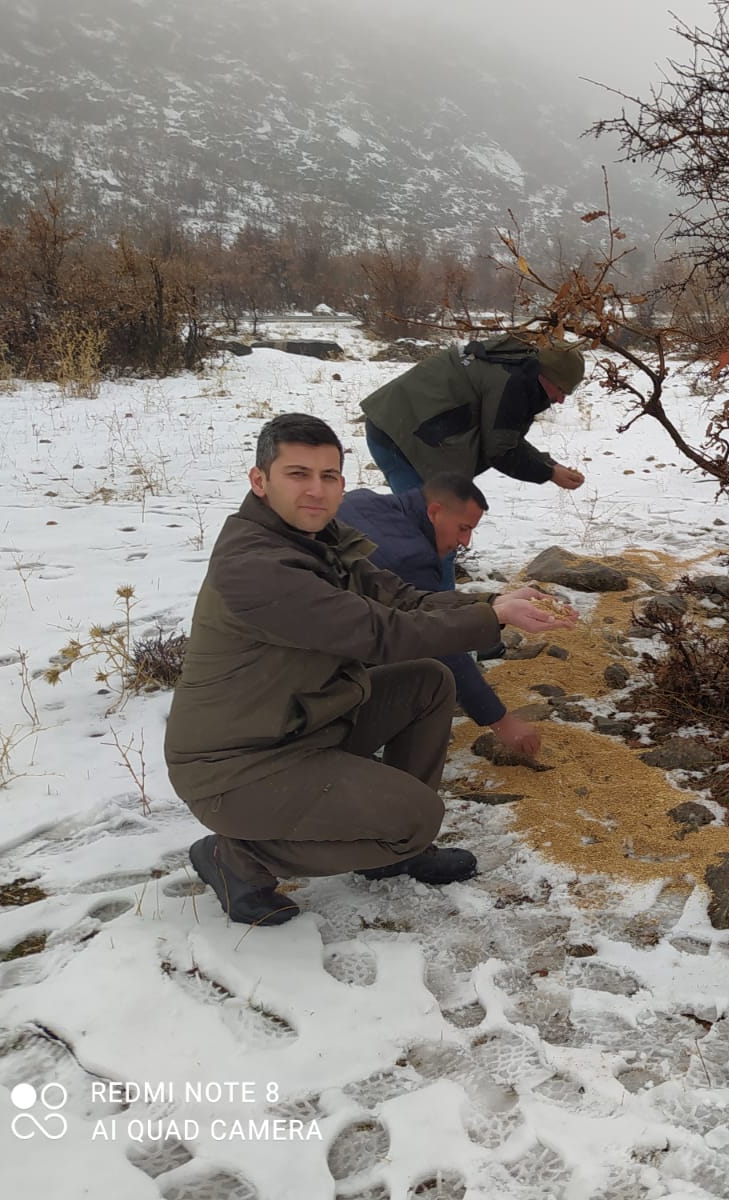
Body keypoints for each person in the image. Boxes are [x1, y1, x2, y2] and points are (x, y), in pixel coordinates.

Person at [164, 413, 576, 927]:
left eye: (329, 475)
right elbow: (383, 633)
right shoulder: (257, 565)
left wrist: (494, 599)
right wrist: (491, 618)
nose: (316, 490)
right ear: (260, 481)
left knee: (428, 681)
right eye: (298, 474)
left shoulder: (319, 538)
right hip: (238, 764)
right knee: (419, 818)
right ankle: (239, 859)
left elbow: (399, 598)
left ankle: (394, 850)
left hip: (300, 723)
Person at [337, 472, 557, 758]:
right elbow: (442, 642)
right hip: (320, 675)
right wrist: (502, 723)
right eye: (463, 528)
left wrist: (497, 601)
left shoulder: (362, 499)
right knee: (433, 675)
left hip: (317, 624)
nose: (465, 542)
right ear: (435, 511)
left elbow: (426, 602)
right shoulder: (409, 556)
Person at [360, 333, 588, 497]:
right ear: (546, 375)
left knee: (437, 526)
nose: (561, 400)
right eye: (560, 390)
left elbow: (506, 438)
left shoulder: (518, 369)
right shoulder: (512, 382)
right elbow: (501, 452)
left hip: (404, 430)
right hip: (399, 438)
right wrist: (548, 472)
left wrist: (549, 464)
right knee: (434, 526)